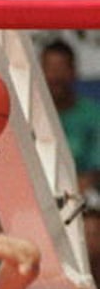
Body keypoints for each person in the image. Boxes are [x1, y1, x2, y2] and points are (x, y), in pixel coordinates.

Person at [40, 38, 100, 193]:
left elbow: (96, 168)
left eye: (61, 68)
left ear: (74, 72)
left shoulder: (94, 114)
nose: (55, 76)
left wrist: (83, 184)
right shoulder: (27, 117)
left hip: (83, 195)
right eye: (49, 69)